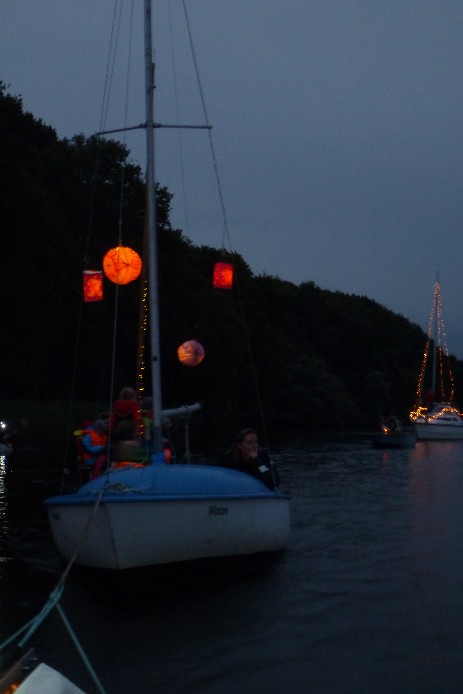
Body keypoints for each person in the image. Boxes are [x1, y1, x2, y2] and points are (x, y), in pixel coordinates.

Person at [79, 415, 110, 480]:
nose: (102, 432)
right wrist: (100, 448)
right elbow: (86, 448)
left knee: (106, 459)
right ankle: (95, 477)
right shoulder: (89, 436)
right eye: (101, 430)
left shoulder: (104, 436)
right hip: (90, 458)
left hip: (100, 457)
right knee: (103, 460)